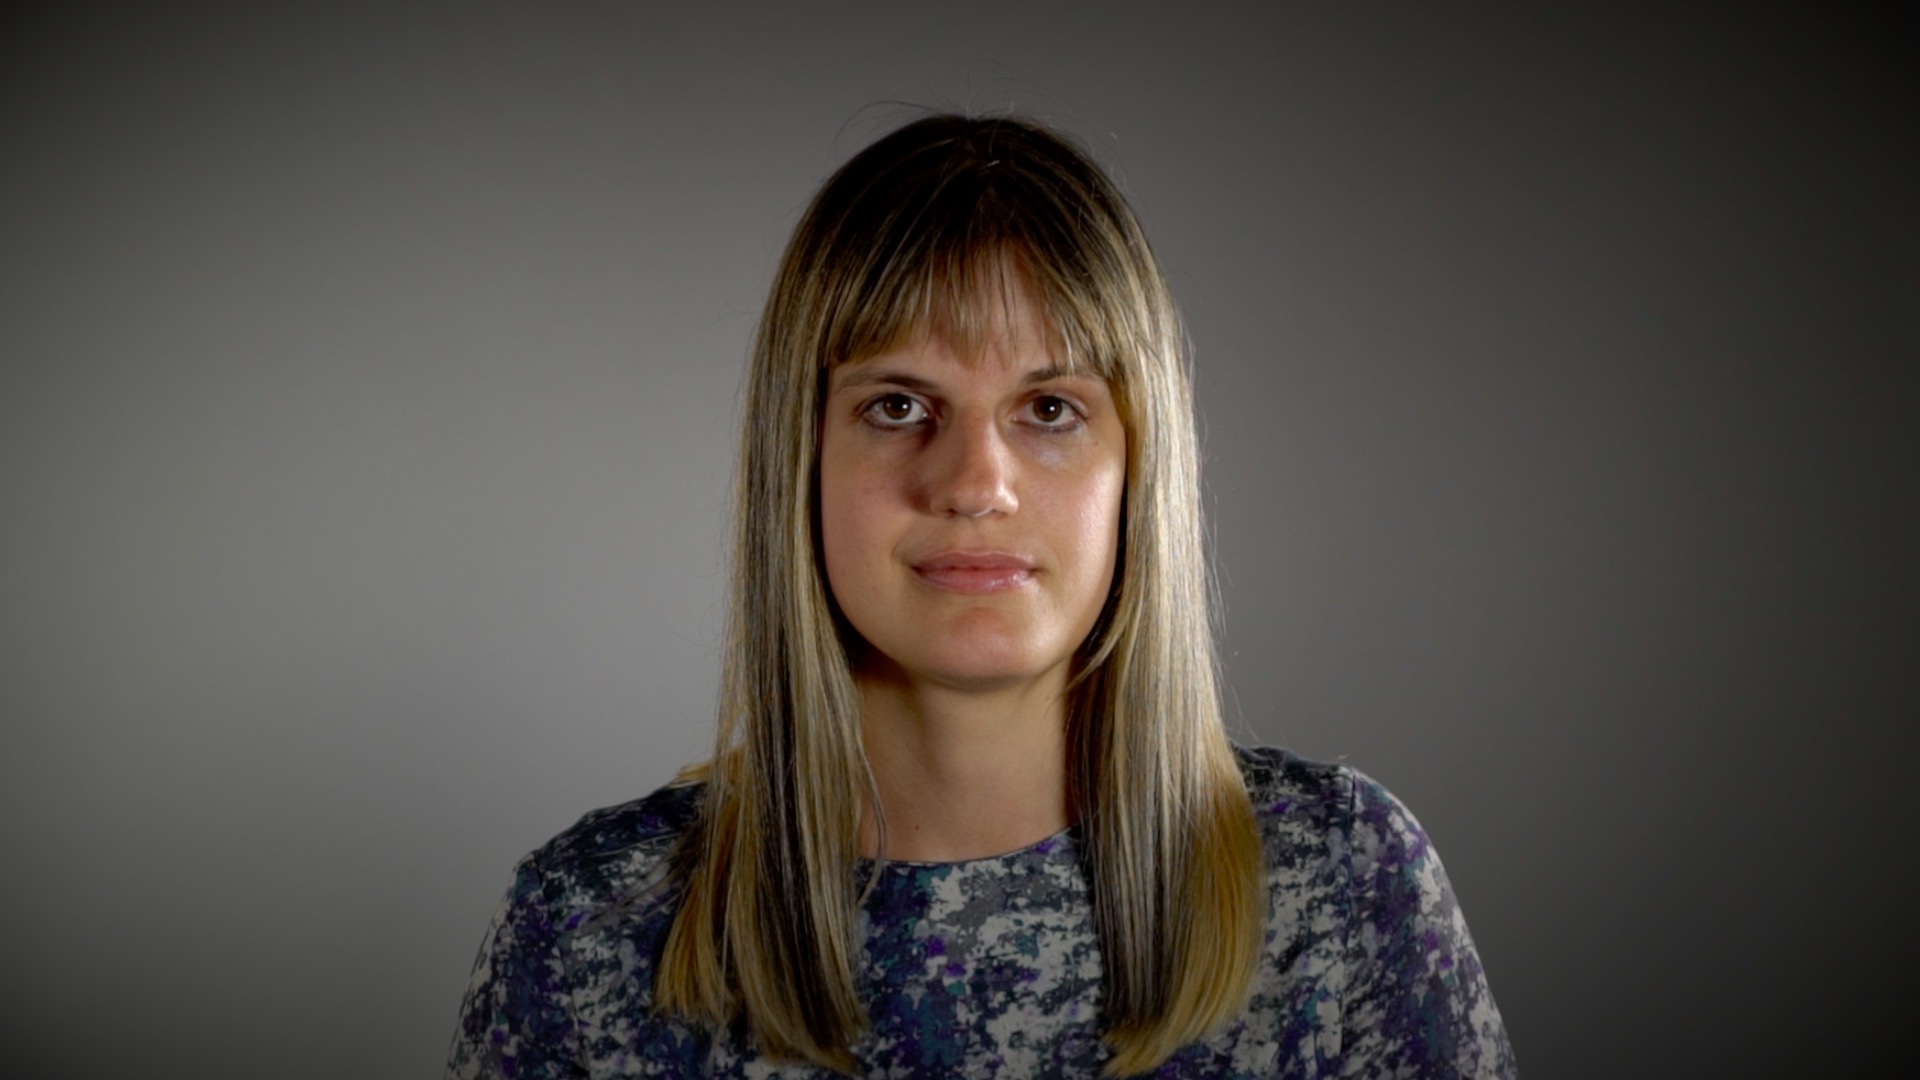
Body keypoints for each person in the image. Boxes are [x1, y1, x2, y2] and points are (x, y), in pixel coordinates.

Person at [446, 113, 1516, 1079]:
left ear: (1139, 466)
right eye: (897, 405)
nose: (972, 484)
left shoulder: (1343, 885)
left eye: (1049, 409)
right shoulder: (591, 926)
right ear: (800, 457)